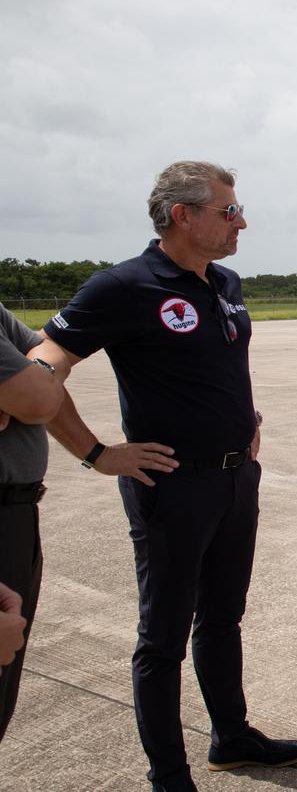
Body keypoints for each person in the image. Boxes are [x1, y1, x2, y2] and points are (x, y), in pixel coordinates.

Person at [32, 162, 297, 791]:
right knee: (162, 638)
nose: (242, 220)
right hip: (172, 489)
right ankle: (169, 777)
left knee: (222, 618)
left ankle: (232, 737)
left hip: (237, 480)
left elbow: (215, 366)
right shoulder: (123, 286)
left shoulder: (226, 281)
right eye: (229, 210)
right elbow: (42, 366)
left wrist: (245, 415)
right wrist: (96, 452)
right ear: (183, 215)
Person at [0, 302, 67, 741]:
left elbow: (49, 352)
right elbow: (42, 396)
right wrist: (32, 386)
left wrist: (33, 378)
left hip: (17, 513)